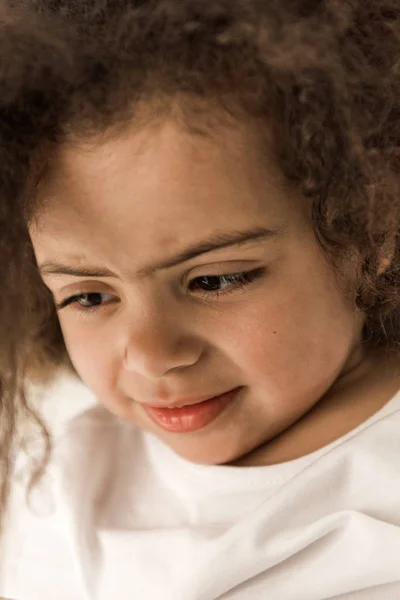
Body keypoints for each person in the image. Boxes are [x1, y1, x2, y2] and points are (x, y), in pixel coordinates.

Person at [1, 0, 400, 598]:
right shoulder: (66, 478)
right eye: (88, 296)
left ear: (371, 228)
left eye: (213, 280)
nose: (151, 356)